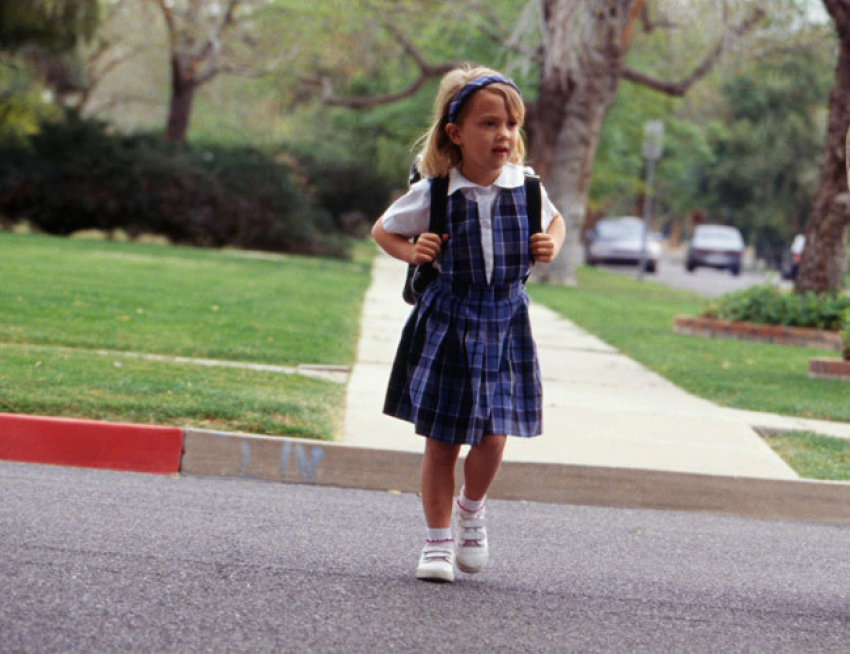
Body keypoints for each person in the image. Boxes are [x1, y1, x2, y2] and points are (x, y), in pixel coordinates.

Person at [372, 64, 566, 583]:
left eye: (511, 125)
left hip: (505, 320)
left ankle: (472, 509)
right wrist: (414, 252)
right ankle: (436, 544)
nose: (503, 134)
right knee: (441, 440)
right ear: (456, 133)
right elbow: (383, 230)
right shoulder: (436, 192)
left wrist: (552, 244)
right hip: (449, 320)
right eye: (488, 123)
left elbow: (555, 221)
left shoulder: (525, 188)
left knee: (495, 436)